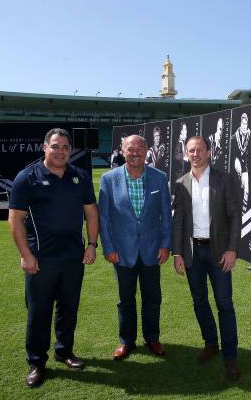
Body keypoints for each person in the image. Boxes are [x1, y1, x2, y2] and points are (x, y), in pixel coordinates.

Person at [8, 128, 99, 388]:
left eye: (66, 147)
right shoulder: (27, 177)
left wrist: (92, 244)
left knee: (68, 308)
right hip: (40, 258)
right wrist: (26, 254)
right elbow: (15, 219)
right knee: (39, 311)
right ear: (44, 147)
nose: (61, 152)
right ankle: (36, 362)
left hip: (73, 257)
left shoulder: (79, 177)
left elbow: (91, 213)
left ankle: (64, 351)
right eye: (56, 146)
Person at [172, 136, 242, 381]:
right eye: (191, 150)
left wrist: (232, 249)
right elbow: (178, 220)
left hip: (219, 252)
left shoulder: (224, 179)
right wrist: (178, 252)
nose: (195, 154)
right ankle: (211, 343)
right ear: (186, 153)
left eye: (199, 150)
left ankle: (230, 356)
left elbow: (235, 216)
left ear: (209, 152)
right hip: (193, 253)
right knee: (199, 300)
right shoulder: (181, 183)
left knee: (224, 303)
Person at [99, 135, 172, 360]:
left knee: (152, 298)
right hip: (122, 252)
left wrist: (166, 244)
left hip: (151, 250)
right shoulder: (108, 179)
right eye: (130, 149)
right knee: (125, 300)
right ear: (122, 151)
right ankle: (126, 341)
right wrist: (108, 247)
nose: (135, 153)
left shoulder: (159, 178)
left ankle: (152, 338)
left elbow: (165, 216)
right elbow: (104, 218)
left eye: (140, 148)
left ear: (147, 151)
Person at [231, 112, 251, 214]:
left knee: (246, 190)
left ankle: (243, 213)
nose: (245, 126)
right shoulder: (235, 136)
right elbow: (230, 145)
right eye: (243, 124)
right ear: (240, 124)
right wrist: (235, 160)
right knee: (237, 186)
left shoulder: (249, 133)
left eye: (246, 124)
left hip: (245, 165)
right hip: (236, 161)